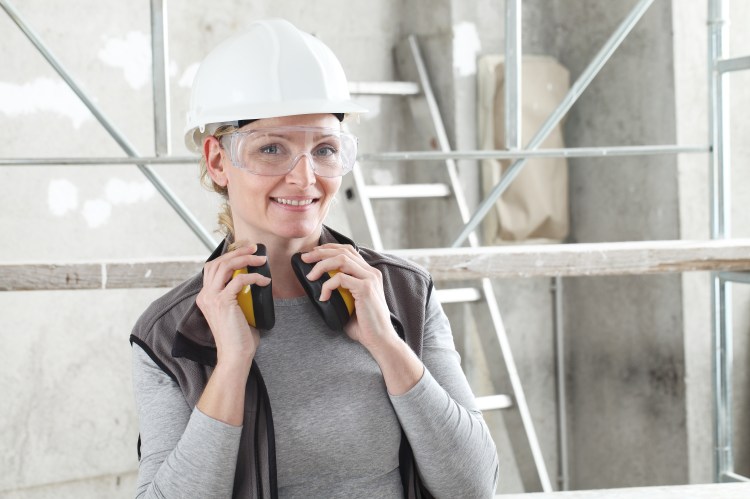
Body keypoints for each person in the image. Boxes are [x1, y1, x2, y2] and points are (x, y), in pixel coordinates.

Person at [130, 18, 499, 499]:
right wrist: (232, 365)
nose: (305, 179)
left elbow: (474, 487)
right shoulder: (169, 335)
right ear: (218, 161)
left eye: (325, 149)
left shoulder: (404, 294)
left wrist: (387, 343)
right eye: (271, 149)